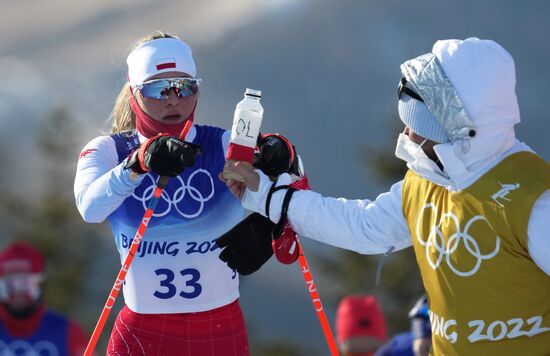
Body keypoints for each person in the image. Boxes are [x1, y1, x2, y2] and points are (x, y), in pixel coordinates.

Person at [220, 37, 550, 355]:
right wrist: (263, 193)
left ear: (461, 127)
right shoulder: (427, 182)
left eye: (419, 123)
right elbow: (364, 226)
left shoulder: (533, 198)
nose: (406, 133)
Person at [74, 31, 257, 355]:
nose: (173, 98)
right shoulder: (110, 150)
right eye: (158, 88)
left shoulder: (222, 144)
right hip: (143, 331)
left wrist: (278, 164)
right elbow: (90, 208)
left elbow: (278, 185)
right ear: (134, 93)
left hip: (218, 328)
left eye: (184, 86)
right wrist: (137, 164)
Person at [0, 241, 88, 355]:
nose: (17, 292)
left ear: (40, 283)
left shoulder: (68, 332)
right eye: (9, 285)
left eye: (25, 284)